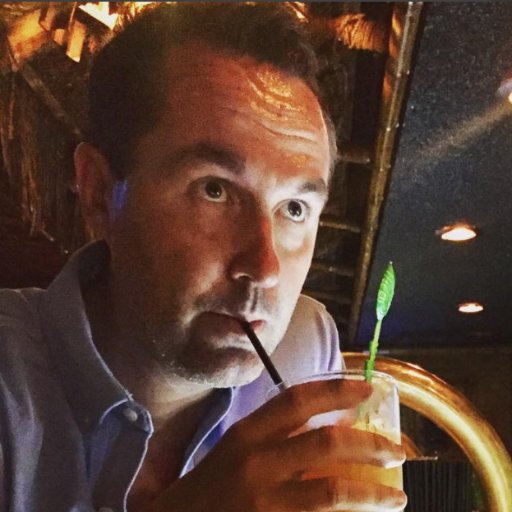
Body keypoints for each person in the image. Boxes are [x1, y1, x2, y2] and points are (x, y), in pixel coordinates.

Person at [0, 3, 406, 511]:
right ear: (99, 193)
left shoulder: (304, 345)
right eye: (214, 190)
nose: (264, 269)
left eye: (294, 208)